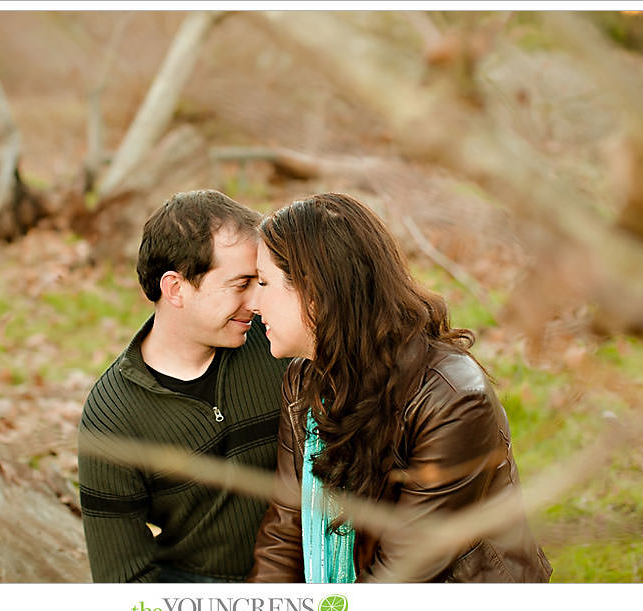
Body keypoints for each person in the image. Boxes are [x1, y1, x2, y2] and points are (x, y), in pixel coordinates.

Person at [247, 192, 552, 583]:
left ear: (314, 292)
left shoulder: (451, 399)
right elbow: (287, 526)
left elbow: (403, 575)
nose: (253, 302)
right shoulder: (305, 378)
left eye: (263, 282)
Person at [78, 190, 290, 583]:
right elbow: (123, 580)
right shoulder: (113, 417)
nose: (257, 301)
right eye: (241, 284)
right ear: (175, 288)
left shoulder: (278, 342)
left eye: (260, 281)